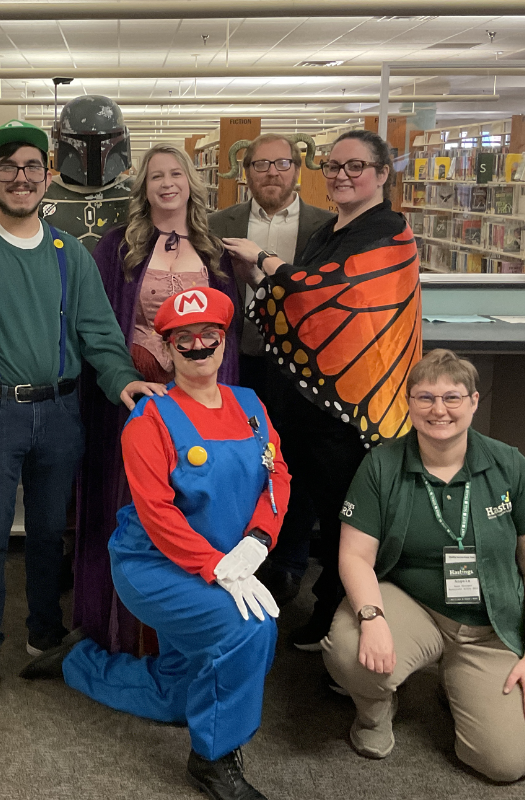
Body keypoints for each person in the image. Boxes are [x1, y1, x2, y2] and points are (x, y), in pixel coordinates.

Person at [0, 119, 163, 699]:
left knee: (51, 530)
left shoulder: (67, 254)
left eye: (32, 167)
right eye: (8, 168)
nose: (21, 177)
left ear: (48, 177)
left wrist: (123, 382)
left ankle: (42, 629)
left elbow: (98, 331)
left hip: (61, 413)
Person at [25, 287, 289, 800]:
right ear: (167, 351)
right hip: (155, 566)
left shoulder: (251, 405)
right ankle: (213, 759)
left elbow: (276, 471)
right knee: (251, 628)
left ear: (223, 343)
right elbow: (158, 515)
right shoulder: (149, 420)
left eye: (207, 336)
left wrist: (260, 538)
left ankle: (79, 662)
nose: (197, 347)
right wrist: (219, 569)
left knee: (177, 693)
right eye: (183, 339)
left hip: (227, 561)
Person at [223, 129, 422, 651]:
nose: (340, 175)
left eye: (355, 166)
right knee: (319, 505)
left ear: (382, 173)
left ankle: (345, 623)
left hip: (352, 407)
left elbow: (322, 291)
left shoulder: (387, 231)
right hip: (312, 398)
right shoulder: (333, 229)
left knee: (348, 519)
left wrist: (262, 260)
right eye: (333, 166)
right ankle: (329, 612)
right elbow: (303, 309)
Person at [322, 349, 525, 782]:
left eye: (452, 397)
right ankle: (375, 714)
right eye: (425, 397)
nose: (439, 409)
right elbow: (354, 556)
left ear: (473, 402)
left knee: (508, 763)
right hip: (415, 605)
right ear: (408, 404)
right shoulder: (381, 464)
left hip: (491, 625)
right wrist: (372, 619)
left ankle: (461, 686)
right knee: (348, 649)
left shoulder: (509, 465)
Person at [74, 143, 240, 655]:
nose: (167, 183)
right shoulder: (117, 246)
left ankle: (188, 628)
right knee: (127, 506)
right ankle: (117, 629)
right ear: (142, 188)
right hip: (131, 403)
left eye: (176, 174)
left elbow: (226, 336)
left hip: (196, 403)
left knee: (189, 506)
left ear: (191, 181)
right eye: (155, 177)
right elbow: (97, 324)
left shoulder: (217, 251)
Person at [210, 133, 334, 606]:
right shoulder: (219, 222)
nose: (271, 173)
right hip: (237, 362)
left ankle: (287, 564)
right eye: (260, 165)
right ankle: (236, 555)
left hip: (301, 368)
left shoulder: (326, 227)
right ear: (246, 174)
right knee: (239, 461)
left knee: (294, 463)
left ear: (298, 169)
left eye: (281, 163)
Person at [42, 94, 133, 253]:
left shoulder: (137, 192)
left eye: (106, 138)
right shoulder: (42, 193)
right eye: (82, 139)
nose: (93, 150)